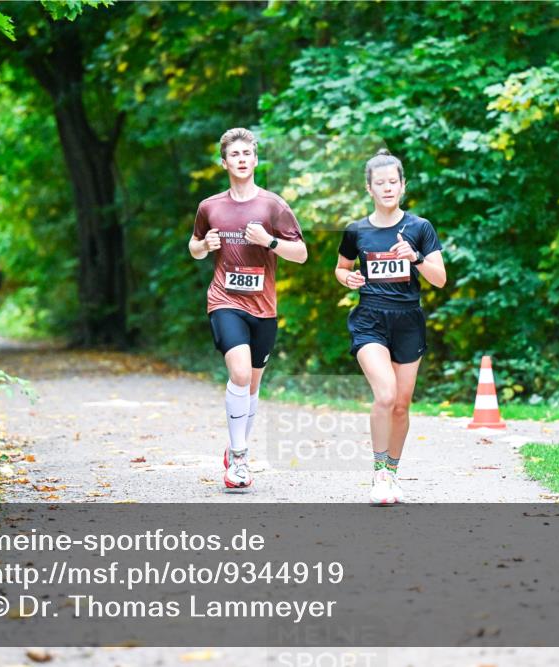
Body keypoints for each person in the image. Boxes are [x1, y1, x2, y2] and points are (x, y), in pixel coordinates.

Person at [189, 128, 308, 490]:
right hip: (224, 300)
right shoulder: (210, 207)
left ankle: (234, 447)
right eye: (234, 154)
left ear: (255, 160)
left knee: (253, 385)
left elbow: (301, 254)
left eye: (247, 154)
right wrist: (205, 245)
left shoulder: (273, 206)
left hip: (264, 308)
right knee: (239, 373)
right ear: (223, 162)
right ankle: (240, 457)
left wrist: (269, 241)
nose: (241, 159)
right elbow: (194, 246)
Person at [334, 149, 447, 505]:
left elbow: (440, 279)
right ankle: (379, 474)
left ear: (403, 186)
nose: (387, 188)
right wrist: (347, 278)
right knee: (384, 395)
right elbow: (340, 268)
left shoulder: (419, 228)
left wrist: (414, 257)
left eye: (393, 182)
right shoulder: (356, 231)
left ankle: (393, 473)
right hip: (370, 319)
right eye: (379, 183)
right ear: (369, 188)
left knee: (401, 404)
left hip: (408, 322)